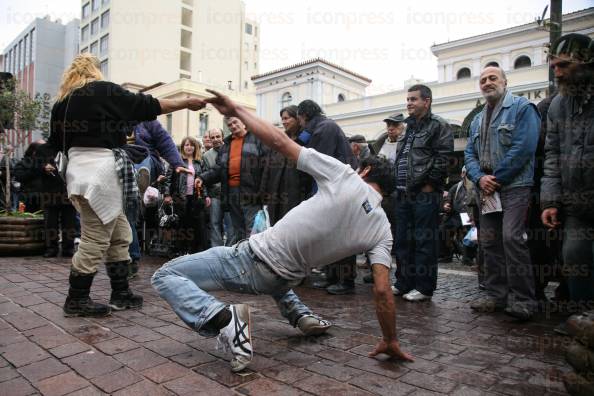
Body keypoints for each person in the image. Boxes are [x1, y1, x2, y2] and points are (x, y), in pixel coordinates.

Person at [152, 89, 414, 373]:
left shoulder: (345, 176)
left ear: (364, 171)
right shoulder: (382, 230)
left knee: (165, 275)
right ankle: (301, 315)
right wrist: (390, 339)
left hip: (252, 262)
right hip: (284, 277)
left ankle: (224, 320)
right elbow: (382, 291)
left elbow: (278, 141)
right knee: (281, 263)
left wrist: (235, 109)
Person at [49, 53, 204, 318]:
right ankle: (76, 299)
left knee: (120, 234)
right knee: (95, 238)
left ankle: (120, 293)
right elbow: (148, 105)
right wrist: (186, 102)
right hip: (101, 173)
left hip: (79, 172)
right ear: (96, 71)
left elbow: (55, 143)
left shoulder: (61, 103)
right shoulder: (102, 90)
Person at [465, 66, 540, 320]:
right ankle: (496, 295)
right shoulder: (476, 119)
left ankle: (524, 300)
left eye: (492, 78)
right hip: (487, 190)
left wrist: (496, 179)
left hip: (515, 185)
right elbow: (469, 154)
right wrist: (479, 177)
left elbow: (524, 147)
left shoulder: (522, 108)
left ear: (505, 82)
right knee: (488, 242)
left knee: (511, 238)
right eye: (483, 79)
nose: (487, 82)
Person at [541, 33, 594, 312]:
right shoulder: (558, 105)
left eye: (564, 65)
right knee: (574, 258)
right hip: (577, 205)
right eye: (554, 67)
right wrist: (550, 201)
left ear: (585, 62)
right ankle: (583, 321)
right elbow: (552, 154)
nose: (558, 72)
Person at [392, 85, 454, 302]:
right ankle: (403, 282)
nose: (409, 103)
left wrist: (430, 184)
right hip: (403, 193)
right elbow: (403, 157)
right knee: (402, 241)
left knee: (424, 241)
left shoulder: (439, 125)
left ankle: (424, 288)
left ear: (426, 101)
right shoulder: (407, 127)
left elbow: (443, 157)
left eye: (414, 99)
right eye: (408, 99)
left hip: (424, 193)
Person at [297, 99, 359, 295]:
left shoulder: (325, 128)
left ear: (304, 115)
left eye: (299, 118)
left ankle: (345, 280)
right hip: (330, 188)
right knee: (330, 236)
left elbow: (318, 161)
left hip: (337, 188)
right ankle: (332, 276)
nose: (299, 123)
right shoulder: (318, 128)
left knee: (341, 236)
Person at [126, 120, 186, 277]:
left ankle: (140, 181)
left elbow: (164, 140)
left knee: (143, 158)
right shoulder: (114, 120)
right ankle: (129, 260)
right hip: (122, 166)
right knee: (126, 217)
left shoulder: (147, 122)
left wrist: (177, 162)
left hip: (146, 161)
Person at [197, 117, 268, 245]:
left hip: (251, 194)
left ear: (243, 122)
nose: (233, 126)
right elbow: (218, 170)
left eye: (235, 122)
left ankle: (253, 261)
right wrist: (202, 178)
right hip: (231, 195)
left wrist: (262, 192)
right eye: (230, 124)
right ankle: (241, 260)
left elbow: (266, 169)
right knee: (238, 232)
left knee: (253, 231)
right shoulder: (226, 146)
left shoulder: (257, 140)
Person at [260, 105, 308, 225]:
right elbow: (268, 168)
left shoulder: (305, 140)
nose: (284, 122)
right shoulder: (278, 140)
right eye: (282, 119)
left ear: (297, 118)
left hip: (296, 194)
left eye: (287, 118)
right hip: (276, 192)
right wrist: (263, 192)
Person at [163, 137, 210, 255]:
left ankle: (193, 250)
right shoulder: (176, 161)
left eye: (191, 145)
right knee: (180, 224)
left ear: (195, 147)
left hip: (195, 198)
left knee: (195, 224)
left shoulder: (200, 162)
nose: (189, 147)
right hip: (180, 198)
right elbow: (168, 179)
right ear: (182, 147)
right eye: (186, 145)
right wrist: (167, 195)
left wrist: (206, 196)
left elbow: (204, 180)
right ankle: (179, 250)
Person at [202, 128, 229, 247]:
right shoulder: (206, 156)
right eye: (212, 137)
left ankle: (230, 250)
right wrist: (206, 195)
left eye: (218, 136)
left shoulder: (230, 150)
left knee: (231, 225)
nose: (215, 139)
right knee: (215, 224)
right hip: (215, 196)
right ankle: (216, 251)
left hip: (230, 195)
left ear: (222, 136)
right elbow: (206, 176)